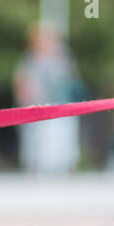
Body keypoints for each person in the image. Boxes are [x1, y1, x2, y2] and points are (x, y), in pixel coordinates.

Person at [13, 22, 81, 174]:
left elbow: (71, 81)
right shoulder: (28, 61)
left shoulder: (63, 59)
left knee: (62, 152)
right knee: (38, 156)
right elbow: (21, 86)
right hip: (37, 115)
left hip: (61, 113)